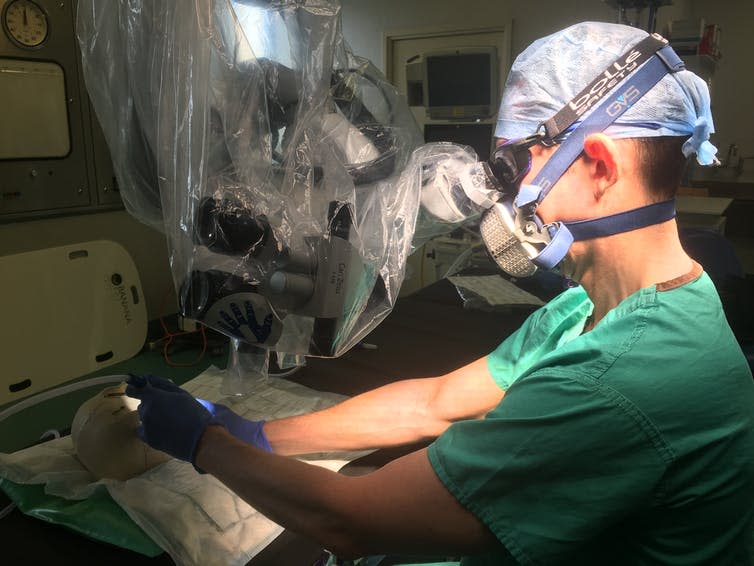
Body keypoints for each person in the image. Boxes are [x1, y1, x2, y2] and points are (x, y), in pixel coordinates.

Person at [126, 22, 754, 565]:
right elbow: (435, 402)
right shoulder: (596, 306)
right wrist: (260, 435)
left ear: (599, 166)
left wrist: (204, 445)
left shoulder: (623, 381)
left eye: (511, 165)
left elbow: (350, 521)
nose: (502, 195)